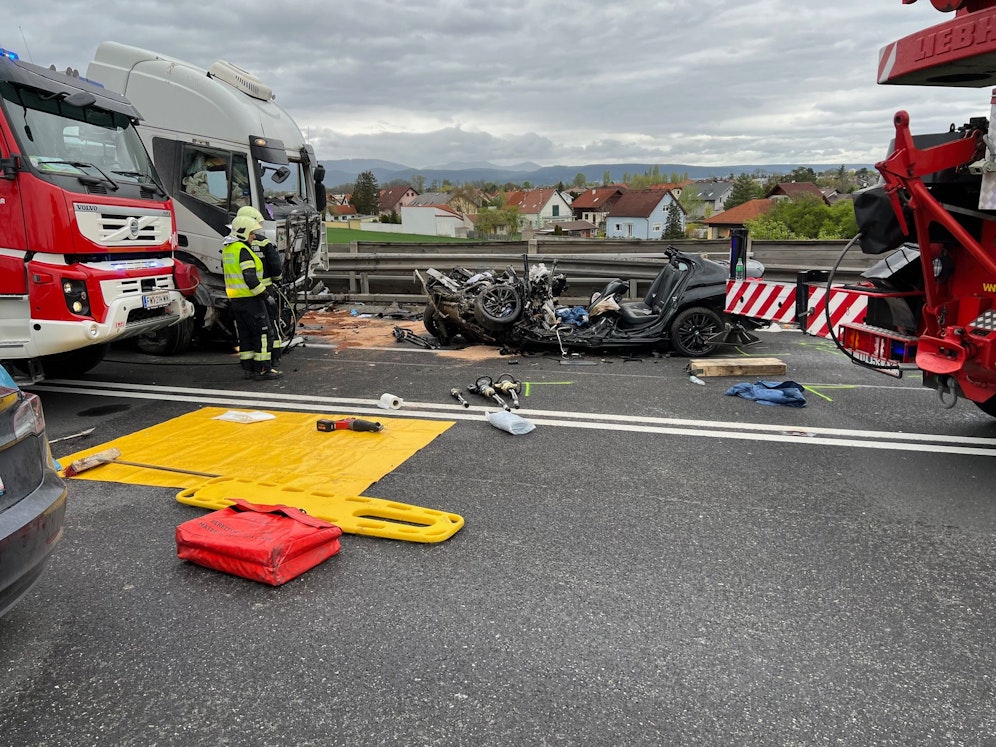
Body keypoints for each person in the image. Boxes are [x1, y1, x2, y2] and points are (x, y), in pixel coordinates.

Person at [222, 215, 281, 380]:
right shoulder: (242, 250)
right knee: (263, 333)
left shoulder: (228, 248)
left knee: (245, 335)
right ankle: (263, 368)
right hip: (251, 300)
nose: (254, 237)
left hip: (236, 301)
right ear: (243, 233)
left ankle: (248, 369)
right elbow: (250, 278)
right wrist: (265, 295)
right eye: (251, 234)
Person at [235, 205, 285, 368]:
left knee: (247, 331)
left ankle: (249, 364)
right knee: (270, 324)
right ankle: (273, 358)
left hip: (241, 294)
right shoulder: (263, 241)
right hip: (264, 290)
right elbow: (275, 265)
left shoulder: (233, 245)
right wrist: (277, 280)